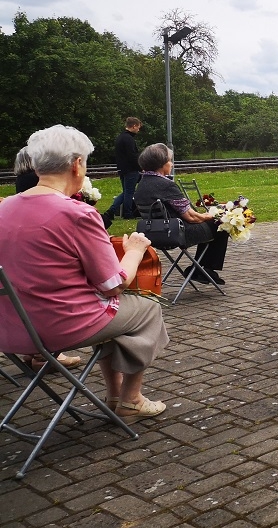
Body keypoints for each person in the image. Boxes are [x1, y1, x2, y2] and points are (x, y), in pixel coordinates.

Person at [0, 125, 169, 418]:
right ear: (77, 164)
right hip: (60, 325)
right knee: (147, 308)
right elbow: (113, 284)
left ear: (36, 165)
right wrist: (134, 250)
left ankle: (115, 395)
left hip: (9, 327)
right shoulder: (77, 214)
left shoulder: (5, 207)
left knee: (114, 310)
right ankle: (130, 398)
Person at [133, 143, 229, 285]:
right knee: (221, 225)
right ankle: (204, 269)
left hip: (154, 233)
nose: (171, 164)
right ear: (161, 164)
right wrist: (214, 215)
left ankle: (200, 269)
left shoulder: (141, 185)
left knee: (211, 225)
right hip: (176, 233)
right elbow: (192, 217)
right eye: (169, 161)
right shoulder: (166, 185)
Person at [103, 117, 143, 227]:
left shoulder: (120, 137)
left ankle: (111, 211)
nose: (138, 130)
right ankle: (127, 213)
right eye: (138, 127)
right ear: (134, 126)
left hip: (122, 169)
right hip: (131, 169)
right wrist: (140, 167)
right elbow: (132, 156)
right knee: (129, 192)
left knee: (126, 191)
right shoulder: (129, 139)